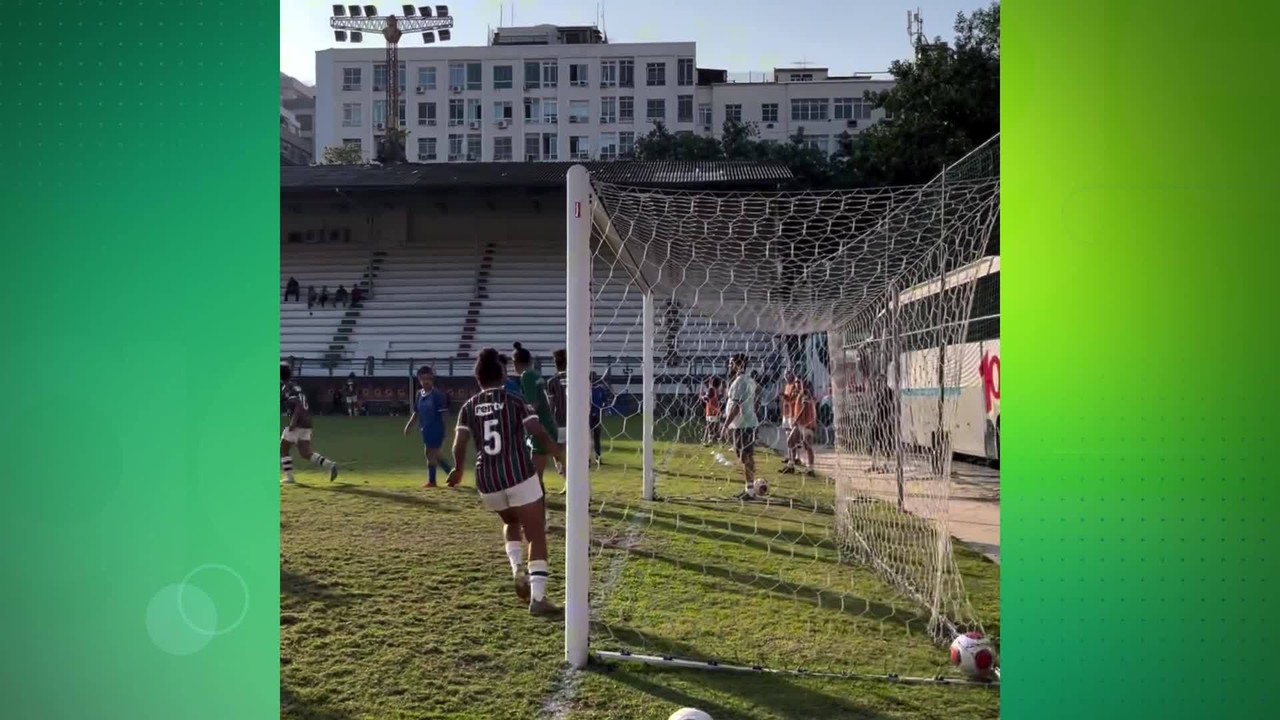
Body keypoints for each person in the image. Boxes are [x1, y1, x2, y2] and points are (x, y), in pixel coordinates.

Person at [447, 348, 564, 616]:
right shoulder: (515, 400)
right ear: (502, 375)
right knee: (536, 534)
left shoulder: (468, 407)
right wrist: (561, 457)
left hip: (487, 482)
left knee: (511, 522)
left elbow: (459, 442)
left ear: (478, 379)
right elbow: (539, 434)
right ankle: (538, 598)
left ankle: (516, 569)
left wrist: (457, 470)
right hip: (519, 474)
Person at [280, 363, 339, 485]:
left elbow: (298, 405)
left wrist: (293, 422)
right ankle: (330, 465)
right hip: (307, 423)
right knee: (305, 453)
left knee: (283, 448)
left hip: (298, 423)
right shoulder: (295, 387)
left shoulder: (287, 389)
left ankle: (289, 478)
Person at [512, 343, 558, 490]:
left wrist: (520, 416)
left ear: (515, 363)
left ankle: (538, 502)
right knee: (536, 471)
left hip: (540, 426)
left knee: (535, 475)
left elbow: (533, 404)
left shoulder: (526, 376)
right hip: (546, 423)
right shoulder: (535, 374)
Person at [404, 366, 454, 488]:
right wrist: (409, 426)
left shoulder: (438, 395)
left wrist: (447, 430)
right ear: (419, 380)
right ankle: (450, 476)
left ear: (432, 379)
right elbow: (416, 413)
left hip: (437, 429)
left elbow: (444, 414)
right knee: (432, 454)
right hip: (425, 429)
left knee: (432, 453)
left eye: (429, 378)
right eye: (423, 378)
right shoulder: (419, 395)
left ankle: (436, 480)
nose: (426, 381)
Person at [720, 353, 760, 499]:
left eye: (731, 363)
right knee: (746, 456)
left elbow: (736, 406)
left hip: (743, 425)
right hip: (747, 422)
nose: (729, 366)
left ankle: (750, 490)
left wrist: (725, 425)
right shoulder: (749, 380)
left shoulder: (739, 382)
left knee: (745, 456)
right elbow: (758, 394)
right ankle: (749, 488)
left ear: (738, 364)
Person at [791, 380, 818, 476]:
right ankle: (793, 464)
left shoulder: (805, 393)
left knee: (807, 445)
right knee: (794, 442)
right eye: (796, 382)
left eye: (799, 382)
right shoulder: (801, 394)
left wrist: (796, 420)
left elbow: (804, 407)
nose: (797, 384)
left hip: (806, 424)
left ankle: (810, 468)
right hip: (803, 424)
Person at [780, 370, 804, 472]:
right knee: (789, 437)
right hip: (787, 413)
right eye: (785, 374)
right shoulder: (787, 386)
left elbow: (794, 400)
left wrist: (786, 397)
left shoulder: (798, 389)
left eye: (788, 374)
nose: (786, 376)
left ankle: (795, 459)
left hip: (794, 415)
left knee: (793, 440)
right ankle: (791, 460)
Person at [590, 371, 610, 467]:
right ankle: (587, 459)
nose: (594, 379)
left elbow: (605, 401)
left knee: (597, 437)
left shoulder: (600, 389)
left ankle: (598, 457)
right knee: (587, 438)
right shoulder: (586, 388)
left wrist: (605, 409)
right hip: (587, 415)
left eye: (595, 377)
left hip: (597, 415)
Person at [701, 376, 722, 447]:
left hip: (711, 410)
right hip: (715, 410)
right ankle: (719, 442)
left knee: (710, 426)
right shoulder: (717, 390)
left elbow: (707, 398)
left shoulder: (711, 389)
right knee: (715, 427)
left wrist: (702, 397)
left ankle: (710, 441)